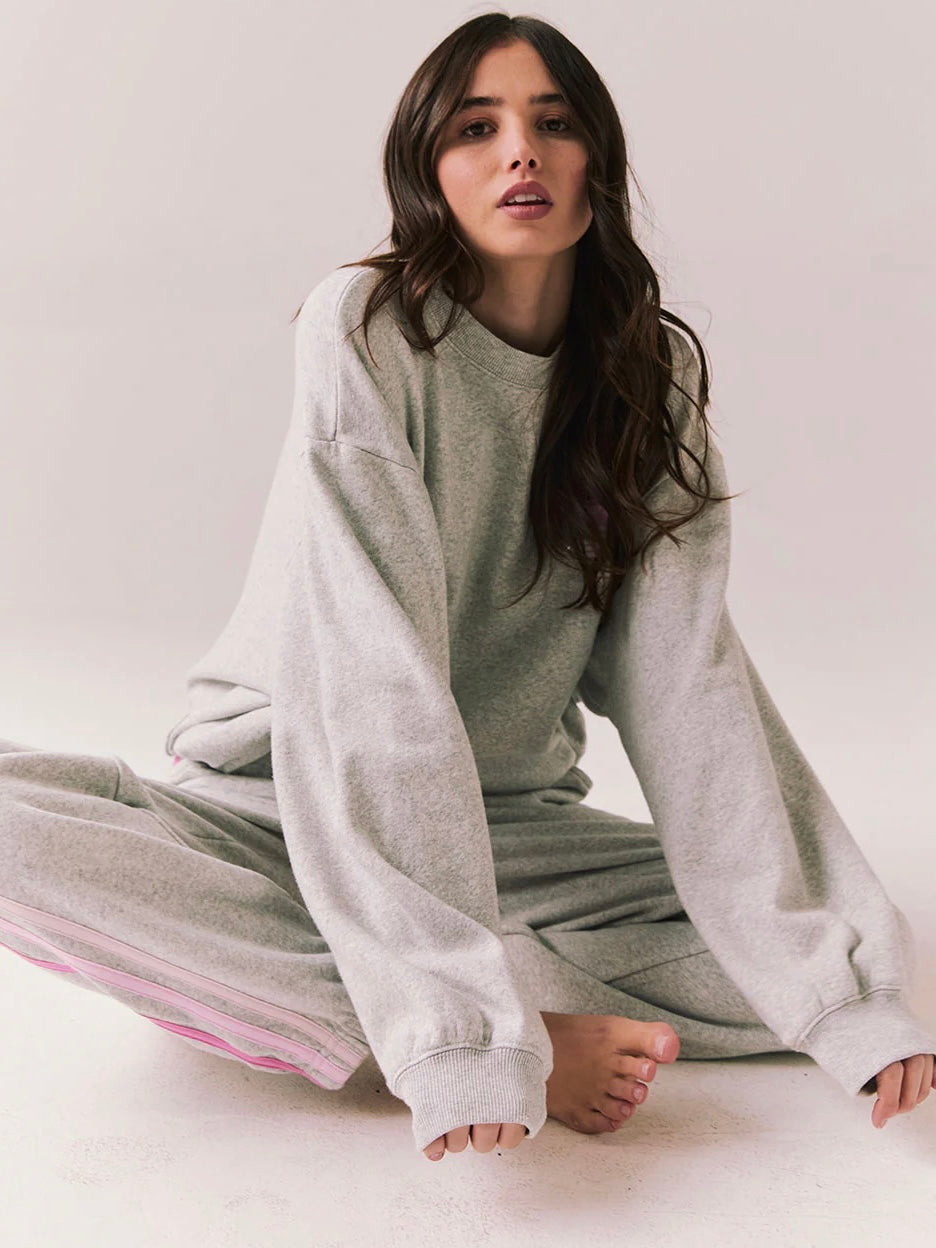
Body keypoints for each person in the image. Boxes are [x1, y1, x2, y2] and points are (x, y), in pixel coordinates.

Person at [1, 13, 933, 1167]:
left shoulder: (653, 375)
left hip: (511, 829)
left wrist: (838, 993)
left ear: (598, 161)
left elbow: (688, 687)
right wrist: (465, 1037)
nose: (521, 152)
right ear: (428, 170)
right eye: (476, 128)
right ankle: (477, 1027)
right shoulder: (367, 330)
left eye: (554, 123)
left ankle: (407, 986)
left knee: (834, 947)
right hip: (285, 796)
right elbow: (374, 677)